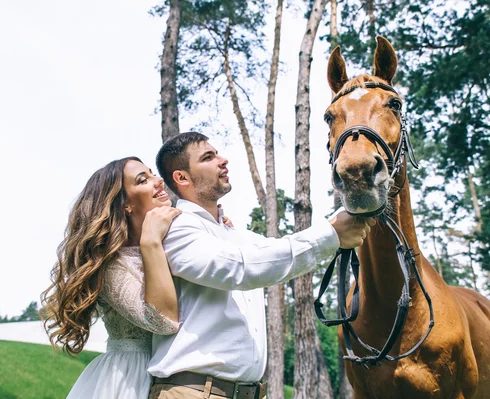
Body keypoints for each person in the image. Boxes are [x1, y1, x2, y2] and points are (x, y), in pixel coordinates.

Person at [148, 132, 375, 399]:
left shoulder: (236, 235)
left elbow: (275, 252)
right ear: (182, 177)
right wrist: (331, 234)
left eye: (218, 153)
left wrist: (357, 203)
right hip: (194, 392)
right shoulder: (177, 228)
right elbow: (241, 268)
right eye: (208, 157)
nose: (223, 160)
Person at [41, 157, 232, 398]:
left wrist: (216, 228)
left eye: (153, 174)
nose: (158, 181)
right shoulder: (111, 265)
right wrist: (150, 240)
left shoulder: (174, 242)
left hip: (185, 376)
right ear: (124, 205)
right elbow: (163, 322)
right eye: (143, 180)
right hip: (131, 379)